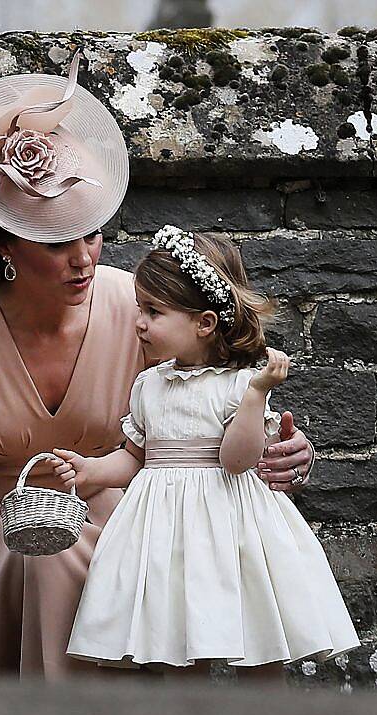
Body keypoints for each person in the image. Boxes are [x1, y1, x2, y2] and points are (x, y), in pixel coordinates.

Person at [0, 53, 318, 681]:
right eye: (56, 242)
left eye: (93, 233)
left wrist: (284, 447)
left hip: (132, 531)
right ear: (4, 246)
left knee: (138, 566)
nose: (82, 259)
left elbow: (220, 393)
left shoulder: (139, 307)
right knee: (40, 558)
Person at [57, 226, 359, 678]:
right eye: (140, 309)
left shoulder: (239, 386)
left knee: (258, 642)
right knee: (177, 641)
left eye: (154, 312)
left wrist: (258, 394)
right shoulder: (148, 385)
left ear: (204, 322)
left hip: (233, 528)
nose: (139, 322)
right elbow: (136, 458)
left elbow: (237, 462)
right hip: (164, 533)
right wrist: (91, 471)